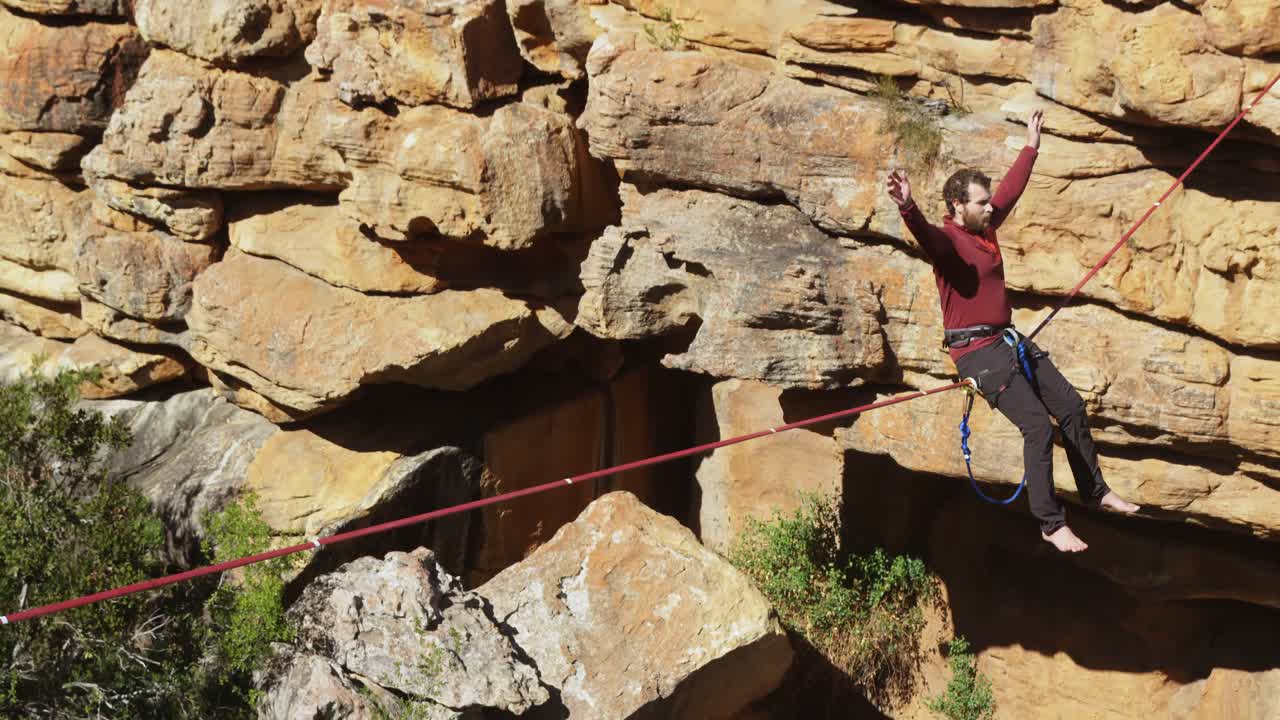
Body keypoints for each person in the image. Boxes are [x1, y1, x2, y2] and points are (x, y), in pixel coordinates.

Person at [884, 109, 1140, 553]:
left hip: (1007, 339)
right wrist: (907, 205)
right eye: (981, 203)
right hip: (976, 353)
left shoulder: (984, 228)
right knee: (1038, 425)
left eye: (988, 202)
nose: (991, 207)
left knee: (1072, 406)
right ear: (957, 207)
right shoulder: (949, 243)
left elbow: (1009, 193)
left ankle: (1095, 491)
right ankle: (1050, 522)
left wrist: (1031, 147)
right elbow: (925, 234)